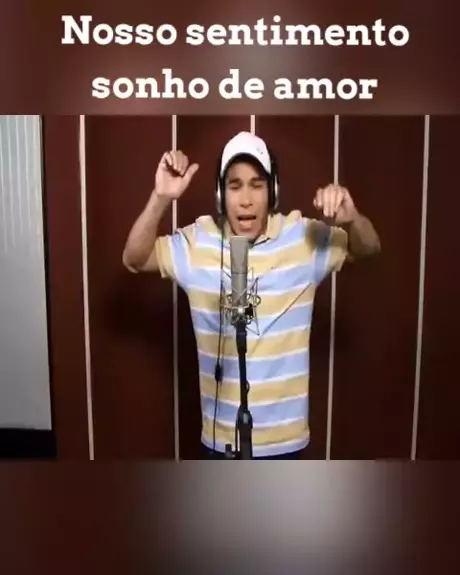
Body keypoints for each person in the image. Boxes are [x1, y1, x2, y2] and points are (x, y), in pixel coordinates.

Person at [122, 131, 381, 460]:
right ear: (221, 195)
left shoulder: (302, 238)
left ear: (272, 192)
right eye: (235, 186)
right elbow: (134, 259)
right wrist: (160, 198)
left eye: (257, 185)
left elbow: (369, 249)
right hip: (220, 442)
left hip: (286, 444)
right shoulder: (197, 242)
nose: (246, 199)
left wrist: (352, 219)